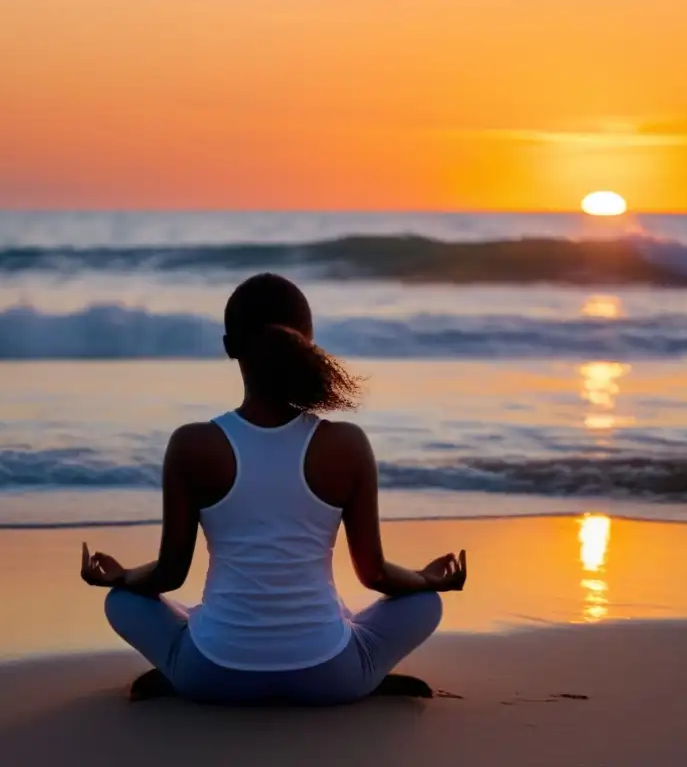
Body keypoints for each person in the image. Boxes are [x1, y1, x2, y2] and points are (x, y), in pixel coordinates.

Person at [80, 273, 467, 705]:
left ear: (230, 348)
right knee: (426, 603)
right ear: (310, 342)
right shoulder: (346, 444)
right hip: (331, 678)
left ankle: (178, 668)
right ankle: (364, 673)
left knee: (121, 601)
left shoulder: (192, 444)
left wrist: (124, 575)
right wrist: (425, 579)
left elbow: (169, 575)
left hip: (211, 676)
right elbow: (374, 574)